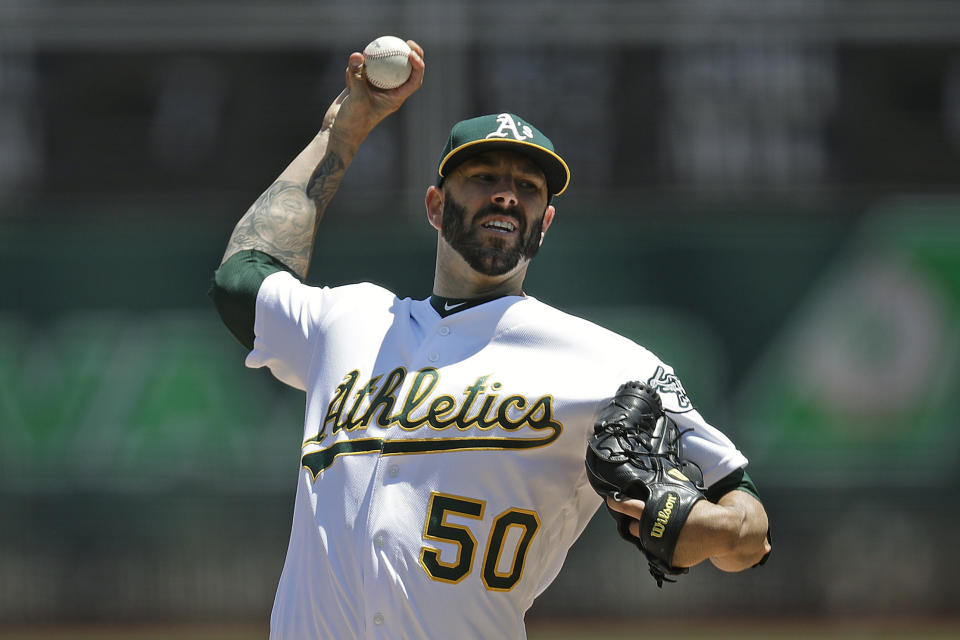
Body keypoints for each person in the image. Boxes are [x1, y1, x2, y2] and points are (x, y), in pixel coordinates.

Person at [210, 40, 770, 639]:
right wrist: (344, 129)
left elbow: (750, 520)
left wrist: (715, 529)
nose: (507, 194)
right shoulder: (348, 322)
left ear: (545, 221)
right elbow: (241, 276)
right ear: (435, 205)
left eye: (529, 187)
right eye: (482, 177)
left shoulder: (609, 366)